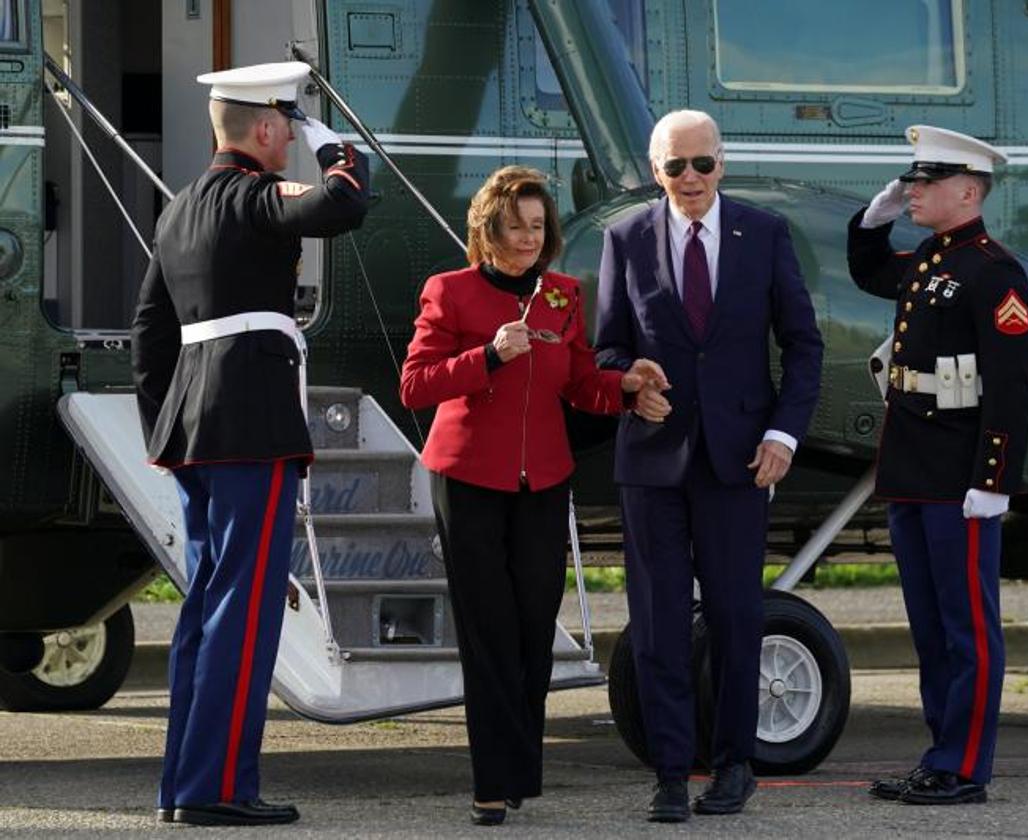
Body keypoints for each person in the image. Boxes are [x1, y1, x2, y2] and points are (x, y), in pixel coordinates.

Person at [130, 61, 369, 826]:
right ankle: (218, 790)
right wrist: (334, 145)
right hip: (251, 425)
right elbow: (345, 203)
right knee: (245, 609)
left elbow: (150, 334)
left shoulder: (179, 210)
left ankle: (184, 785)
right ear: (267, 127)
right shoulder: (257, 197)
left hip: (196, 429)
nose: (290, 141)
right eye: (288, 126)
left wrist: (164, 429)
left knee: (206, 608)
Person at [399, 165, 665, 826]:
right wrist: (486, 357)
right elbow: (416, 386)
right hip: (468, 481)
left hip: (543, 481)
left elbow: (579, 383)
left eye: (537, 226)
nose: (527, 237)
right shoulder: (450, 291)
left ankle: (519, 769)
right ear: (488, 230)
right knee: (487, 632)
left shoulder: (561, 296)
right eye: (515, 225)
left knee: (531, 630)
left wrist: (625, 384)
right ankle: (493, 783)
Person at [595, 110, 824, 822]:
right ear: (653, 169)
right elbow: (604, 351)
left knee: (734, 618)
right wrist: (631, 382)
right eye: (674, 167)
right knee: (659, 626)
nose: (689, 179)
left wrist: (785, 433)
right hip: (653, 465)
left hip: (740, 463)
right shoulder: (625, 237)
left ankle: (732, 763)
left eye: (702, 164)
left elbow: (803, 345)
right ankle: (669, 771)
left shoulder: (764, 234)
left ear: (722, 163)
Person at [846, 125, 1028, 805]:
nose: (913, 190)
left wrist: (992, 482)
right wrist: (872, 223)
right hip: (912, 472)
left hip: (960, 478)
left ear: (967, 189)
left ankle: (965, 767)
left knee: (967, 630)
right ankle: (939, 756)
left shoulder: (994, 272)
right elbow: (872, 272)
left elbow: (1011, 389)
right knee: (931, 628)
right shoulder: (930, 260)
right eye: (912, 181)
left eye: (926, 183)